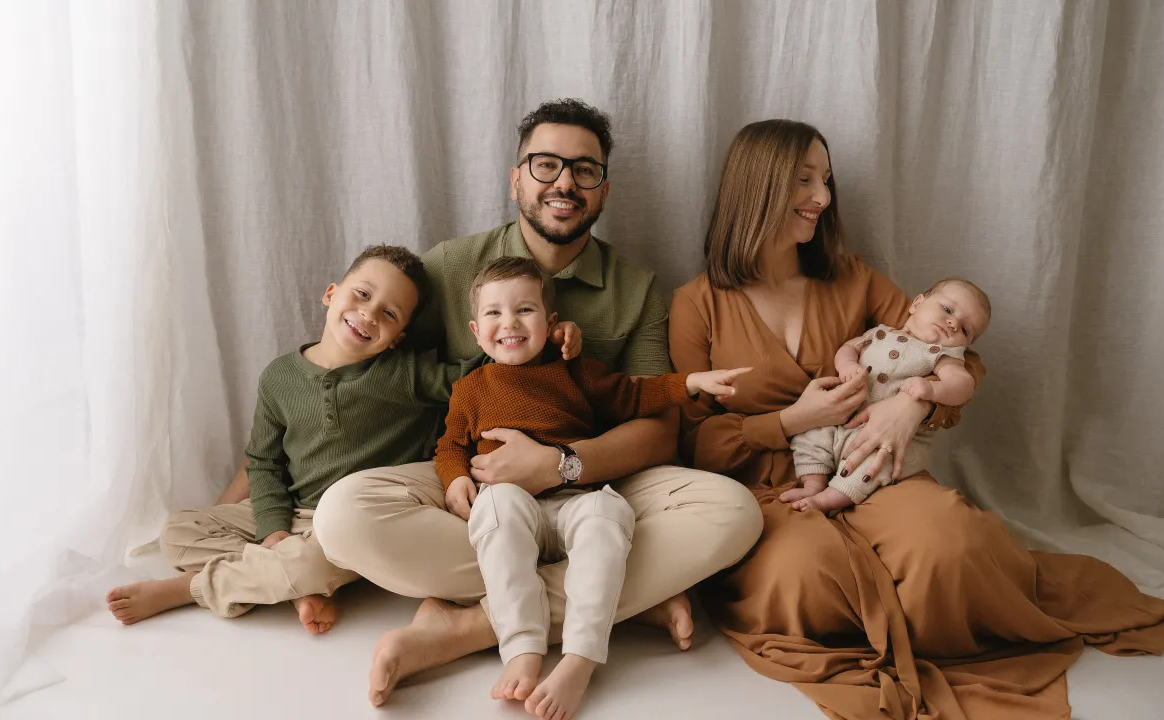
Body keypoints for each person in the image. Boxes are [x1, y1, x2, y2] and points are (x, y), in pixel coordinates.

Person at [668, 118, 1164, 719]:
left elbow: (961, 355)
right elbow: (694, 441)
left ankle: (926, 608)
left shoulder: (853, 278)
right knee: (805, 580)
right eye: (806, 180)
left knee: (950, 546)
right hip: (775, 487)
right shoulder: (696, 303)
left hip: (879, 466)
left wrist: (911, 406)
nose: (823, 198)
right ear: (759, 185)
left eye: (826, 180)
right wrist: (788, 422)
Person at [311, 98, 764, 707]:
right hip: (483, 484)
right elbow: (370, 366)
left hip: (598, 485)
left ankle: (467, 626)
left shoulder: (638, 287)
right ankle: (621, 602)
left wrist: (560, 465)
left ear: (603, 189)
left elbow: (657, 430)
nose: (564, 183)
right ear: (516, 177)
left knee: (733, 511)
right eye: (545, 165)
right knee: (342, 516)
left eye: (585, 170)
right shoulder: (450, 268)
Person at [105, 246, 579, 632]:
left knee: (318, 558)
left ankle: (190, 590)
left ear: (397, 337)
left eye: (388, 313)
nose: (368, 314)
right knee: (177, 531)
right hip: (287, 512)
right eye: (361, 295)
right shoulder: (279, 377)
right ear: (331, 294)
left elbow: (486, 369)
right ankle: (285, 579)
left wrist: (540, 333)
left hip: (345, 525)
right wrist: (271, 534)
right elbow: (264, 464)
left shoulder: (403, 374)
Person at [439, 256, 749, 718]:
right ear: (474, 329)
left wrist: (692, 383)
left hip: (575, 498)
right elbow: (450, 445)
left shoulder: (575, 371)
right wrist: (456, 478)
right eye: (494, 313)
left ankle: (580, 658)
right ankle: (522, 645)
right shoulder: (470, 389)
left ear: (551, 323)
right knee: (496, 509)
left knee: (609, 516)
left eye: (525, 310)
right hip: (511, 502)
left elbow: (633, 393)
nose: (510, 323)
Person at [782, 277, 990, 513]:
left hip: (891, 441)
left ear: (966, 344)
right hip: (844, 421)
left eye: (964, 329)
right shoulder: (879, 332)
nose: (953, 323)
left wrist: (932, 390)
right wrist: (847, 365)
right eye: (947, 309)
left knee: (875, 465)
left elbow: (963, 385)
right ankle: (812, 484)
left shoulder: (941, 356)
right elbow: (849, 348)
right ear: (917, 303)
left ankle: (826, 500)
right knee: (812, 434)